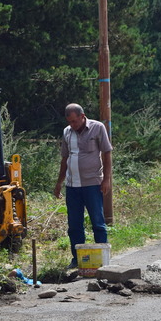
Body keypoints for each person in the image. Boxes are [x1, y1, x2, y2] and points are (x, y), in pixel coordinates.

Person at [53, 103, 112, 269]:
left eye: (75, 121)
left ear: (82, 116)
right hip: (72, 186)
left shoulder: (97, 128)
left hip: (92, 184)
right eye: (70, 122)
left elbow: (107, 153)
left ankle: (103, 259)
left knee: (98, 223)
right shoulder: (66, 132)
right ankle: (77, 259)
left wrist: (106, 179)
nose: (73, 125)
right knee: (74, 225)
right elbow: (65, 158)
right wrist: (59, 182)